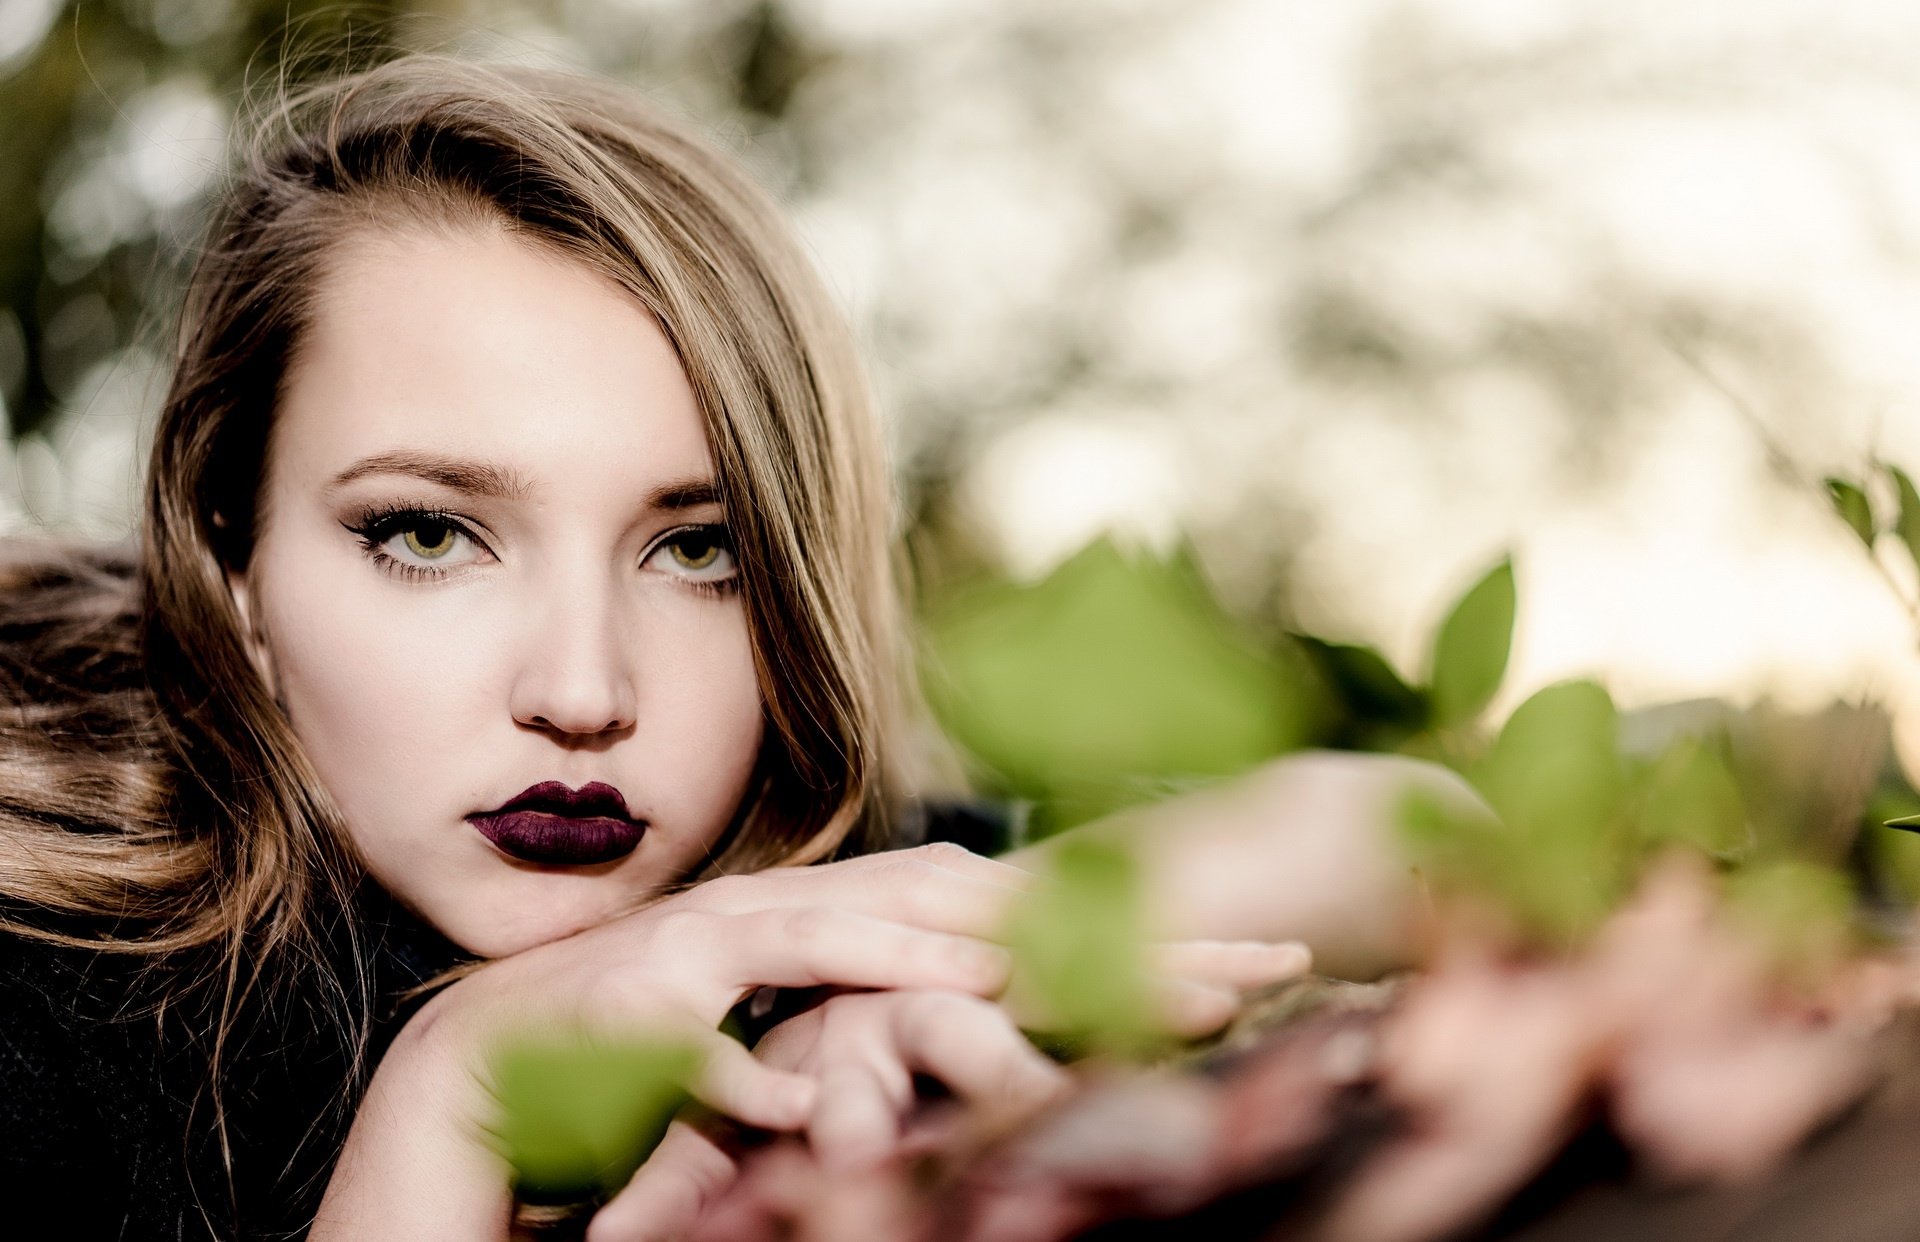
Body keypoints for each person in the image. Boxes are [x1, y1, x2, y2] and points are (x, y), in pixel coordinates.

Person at [0, 52, 1463, 1241]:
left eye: (699, 550)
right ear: (235, 566)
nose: (582, 692)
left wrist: (935, 965)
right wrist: (450, 1100)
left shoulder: (783, 876)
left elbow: (1420, 833)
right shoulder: (50, 1003)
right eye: (431, 534)